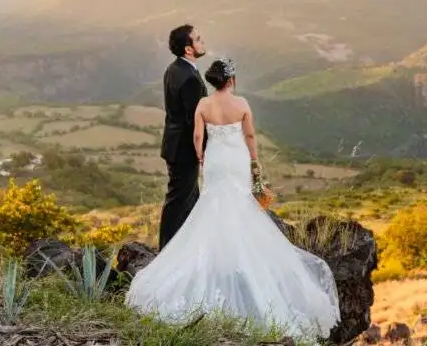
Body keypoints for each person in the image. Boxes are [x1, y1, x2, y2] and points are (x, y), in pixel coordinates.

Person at [126, 57, 341, 341]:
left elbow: (197, 135)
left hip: (215, 160)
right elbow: (249, 135)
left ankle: (218, 260)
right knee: (241, 207)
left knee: (212, 206)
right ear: (231, 80)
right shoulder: (242, 104)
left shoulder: (203, 104)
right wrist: (255, 162)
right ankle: (240, 258)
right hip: (236, 159)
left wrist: (202, 157)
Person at [158, 24, 208, 250]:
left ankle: (186, 250)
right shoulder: (189, 78)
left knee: (190, 201)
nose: (202, 41)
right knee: (179, 202)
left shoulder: (173, 68)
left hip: (175, 145)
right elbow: (193, 121)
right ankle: (166, 252)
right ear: (189, 49)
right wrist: (203, 149)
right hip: (185, 149)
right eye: (198, 39)